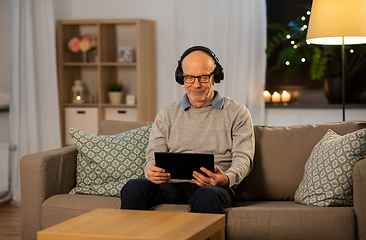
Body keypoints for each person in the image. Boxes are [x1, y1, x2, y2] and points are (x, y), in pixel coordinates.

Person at [120, 46, 254, 214]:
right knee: (133, 187)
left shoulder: (238, 113)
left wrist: (226, 178)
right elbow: (152, 155)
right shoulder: (167, 113)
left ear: (216, 76)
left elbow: (244, 159)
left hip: (213, 188)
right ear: (180, 77)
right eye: (189, 77)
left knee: (207, 196)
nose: (196, 85)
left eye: (204, 77)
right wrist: (150, 171)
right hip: (171, 186)